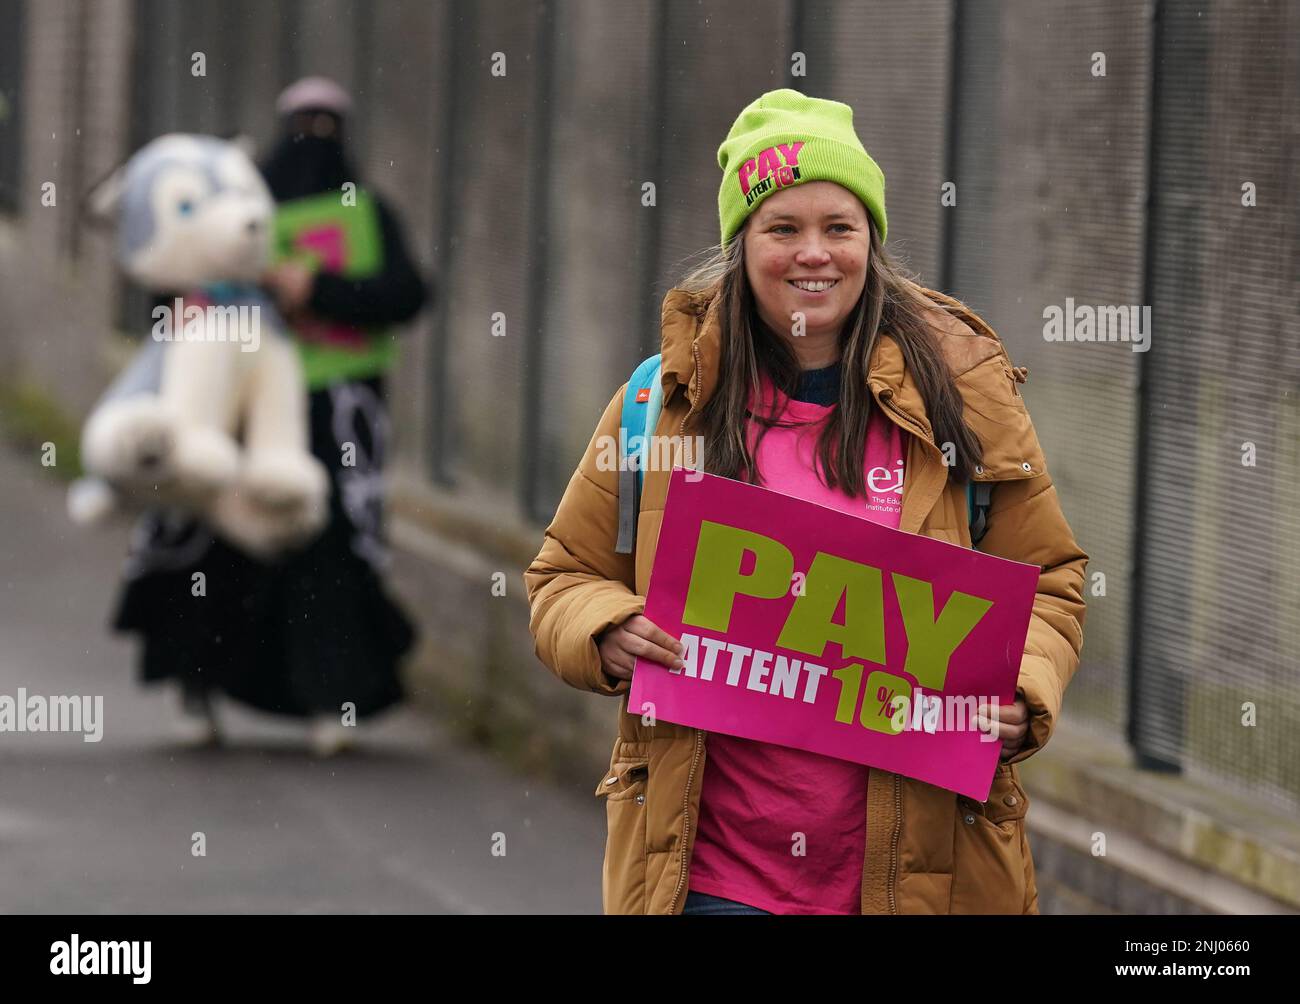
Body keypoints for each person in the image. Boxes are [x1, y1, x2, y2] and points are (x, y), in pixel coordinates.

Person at [524, 89, 1087, 914]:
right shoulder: (662, 403)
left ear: (872, 242)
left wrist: (1023, 689)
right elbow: (561, 577)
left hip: (913, 876)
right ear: (741, 245)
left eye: (839, 228)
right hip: (710, 877)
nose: (812, 254)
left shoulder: (964, 404)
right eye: (782, 228)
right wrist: (603, 631)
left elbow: (1051, 583)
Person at [113, 77, 428, 755]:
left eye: (325, 124)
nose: (311, 139)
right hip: (230, 409)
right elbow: (170, 281)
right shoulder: (233, 208)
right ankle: (194, 687)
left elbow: (406, 293)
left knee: (328, 550)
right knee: (207, 540)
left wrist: (318, 289)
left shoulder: (368, 213)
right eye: (302, 123)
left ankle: (331, 697)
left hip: (335, 418)